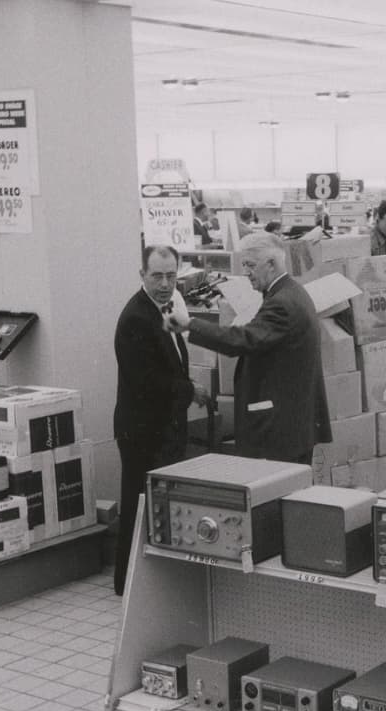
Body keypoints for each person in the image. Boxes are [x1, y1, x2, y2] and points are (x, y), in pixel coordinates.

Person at [165, 232, 331, 464]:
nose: (245, 272)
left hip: (278, 431)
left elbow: (243, 339)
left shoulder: (281, 303)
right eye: (244, 265)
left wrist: (190, 324)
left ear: (271, 264)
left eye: (251, 265)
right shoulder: (292, 292)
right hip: (292, 425)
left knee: (272, 493)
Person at [113, 244, 206, 595]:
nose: (166, 283)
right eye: (157, 276)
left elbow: (174, 357)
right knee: (140, 506)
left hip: (159, 426)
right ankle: (127, 584)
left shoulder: (162, 308)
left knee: (153, 506)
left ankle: (146, 581)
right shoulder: (137, 316)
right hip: (143, 430)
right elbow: (148, 380)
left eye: (171, 276)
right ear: (142, 275)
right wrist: (189, 390)